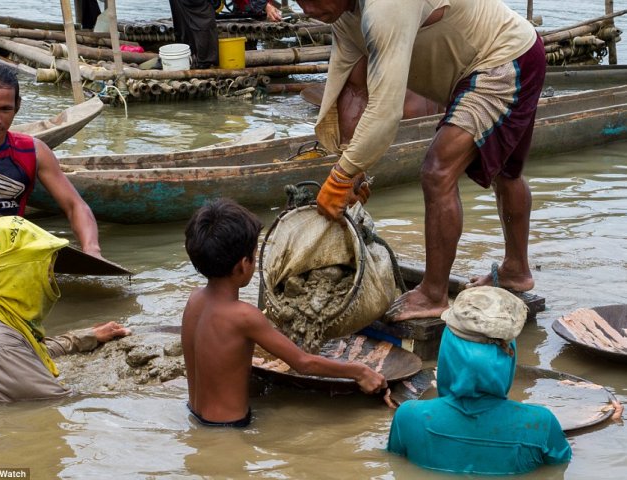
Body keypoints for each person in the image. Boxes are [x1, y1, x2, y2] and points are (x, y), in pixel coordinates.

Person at [296, 0, 546, 321]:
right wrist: (353, 167)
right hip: (480, 68)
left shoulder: (386, 7)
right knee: (506, 173)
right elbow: (355, 87)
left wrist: (340, 177)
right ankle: (516, 270)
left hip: (504, 58)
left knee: (437, 171)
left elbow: (386, 111)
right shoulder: (344, 16)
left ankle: (433, 293)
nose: (306, 11)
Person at [182, 198, 387, 427]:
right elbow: (304, 363)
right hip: (229, 428)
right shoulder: (244, 316)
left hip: (195, 415)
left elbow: (215, 353)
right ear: (243, 264)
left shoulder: (194, 300)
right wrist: (359, 372)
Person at [0, 62, 102, 284]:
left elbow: (75, 206)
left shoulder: (33, 151)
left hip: (13, 273)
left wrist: (92, 251)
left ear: (18, 106)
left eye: (5, 109)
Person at [0, 215, 130, 402]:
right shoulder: (0, 347)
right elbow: (61, 401)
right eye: (44, 269)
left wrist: (86, 336)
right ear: (16, 275)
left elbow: (29, 353)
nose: (51, 278)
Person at [388, 286, 572, 474]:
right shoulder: (541, 424)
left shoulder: (408, 417)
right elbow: (558, 469)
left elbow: (396, 466)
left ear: (448, 352)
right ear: (510, 357)